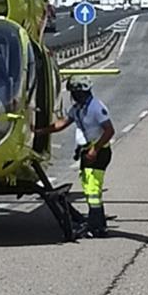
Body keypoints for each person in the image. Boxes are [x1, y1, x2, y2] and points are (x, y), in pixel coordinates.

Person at [46, 75, 116, 237]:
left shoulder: (96, 107)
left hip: (99, 153)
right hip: (87, 152)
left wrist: (95, 150)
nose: (73, 96)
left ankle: (96, 227)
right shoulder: (78, 108)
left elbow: (109, 130)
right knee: (89, 187)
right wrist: (40, 131)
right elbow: (62, 124)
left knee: (93, 189)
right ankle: (98, 225)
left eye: (74, 93)